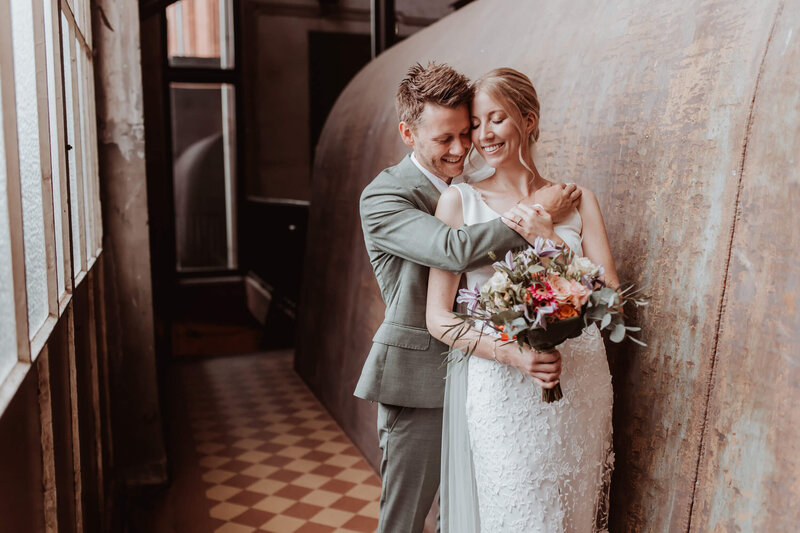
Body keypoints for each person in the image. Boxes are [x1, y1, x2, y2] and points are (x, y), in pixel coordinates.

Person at [356, 62, 581, 533]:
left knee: (471, 517)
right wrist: (538, 216)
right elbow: (451, 249)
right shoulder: (384, 196)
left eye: (466, 132)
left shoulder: (475, 187)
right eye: (444, 140)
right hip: (421, 382)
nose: (461, 149)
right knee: (404, 521)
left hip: (491, 383)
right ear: (407, 133)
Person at [426, 67, 617, 532]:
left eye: (496, 119)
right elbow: (438, 318)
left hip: (582, 380)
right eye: (476, 124)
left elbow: (611, 298)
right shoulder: (459, 202)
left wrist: (546, 235)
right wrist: (514, 356)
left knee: (573, 514)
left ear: (528, 120)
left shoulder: (577, 199)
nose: (483, 135)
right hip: (502, 387)